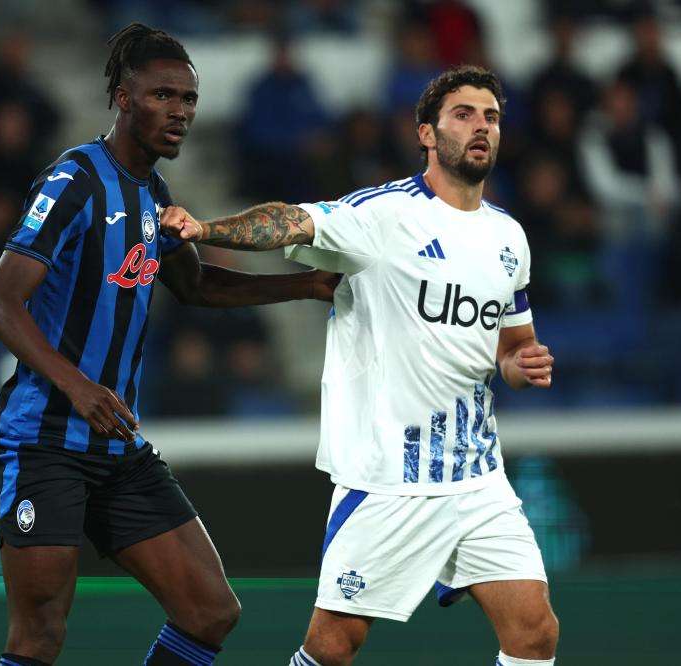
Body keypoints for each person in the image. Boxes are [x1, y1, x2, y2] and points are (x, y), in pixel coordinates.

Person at [161, 65, 560, 666]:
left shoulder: (509, 238)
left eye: (491, 117)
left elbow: (511, 345)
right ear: (426, 133)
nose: (481, 127)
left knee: (534, 632)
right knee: (333, 646)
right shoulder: (382, 216)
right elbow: (291, 220)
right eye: (463, 115)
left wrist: (519, 364)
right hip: (389, 478)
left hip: (478, 476)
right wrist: (204, 229)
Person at [0, 23, 337, 666]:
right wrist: (78, 387)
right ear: (123, 98)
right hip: (44, 440)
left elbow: (196, 287)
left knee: (210, 612)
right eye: (163, 95)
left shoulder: (153, 195)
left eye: (189, 99)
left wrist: (305, 284)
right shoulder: (75, 179)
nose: (180, 112)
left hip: (116, 445)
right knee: (39, 634)